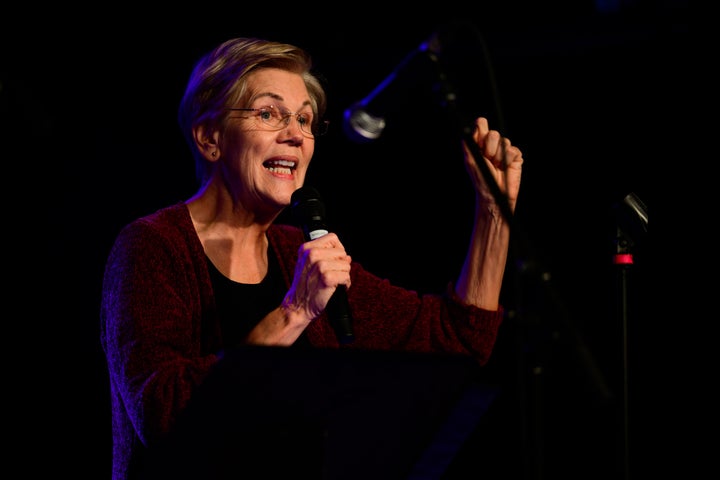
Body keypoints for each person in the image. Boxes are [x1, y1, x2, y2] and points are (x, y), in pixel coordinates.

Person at [100, 36, 523, 480]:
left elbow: (457, 339)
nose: (296, 135)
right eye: (268, 113)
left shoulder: (293, 252)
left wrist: (495, 214)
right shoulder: (152, 246)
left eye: (304, 119)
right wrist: (294, 312)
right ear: (209, 138)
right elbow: (162, 416)